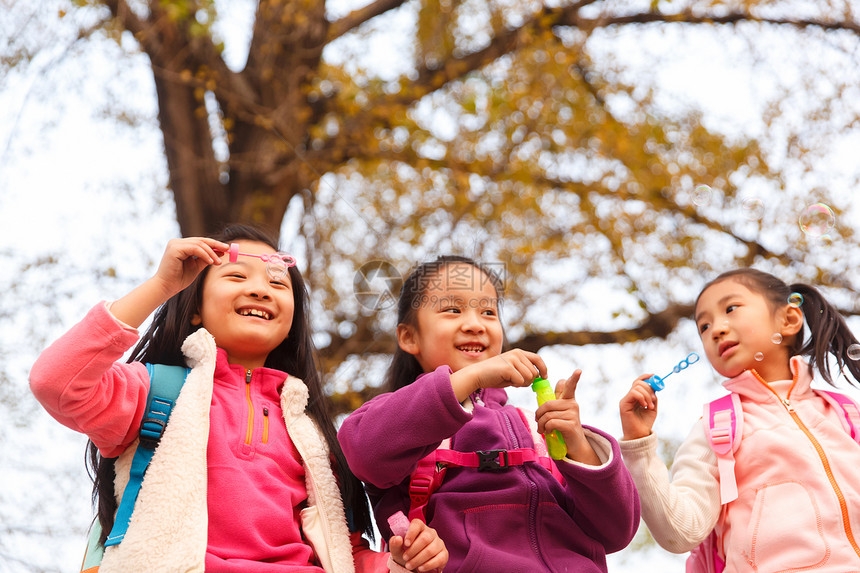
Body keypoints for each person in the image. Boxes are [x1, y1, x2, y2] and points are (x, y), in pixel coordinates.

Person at [29, 225, 448, 573]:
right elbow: (56, 382)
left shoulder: (316, 438)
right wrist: (162, 286)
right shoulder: (154, 394)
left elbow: (345, 553)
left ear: (291, 321)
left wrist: (402, 563)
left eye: (277, 283)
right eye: (236, 276)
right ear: (194, 306)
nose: (261, 290)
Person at [338, 255, 640, 573]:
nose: (475, 324)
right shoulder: (404, 423)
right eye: (452, 309)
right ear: (410, 337)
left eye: (488, 312)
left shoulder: (536, 426)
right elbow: (361, 449)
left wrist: (578, 446)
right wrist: (472, 378)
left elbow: (616, 531)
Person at [619, 268, 860, 571]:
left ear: (788, 320)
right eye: (703, 326)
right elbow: (680, 533)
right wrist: (638, 444)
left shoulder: (845, 413)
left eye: (730, 309)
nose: (715, 330)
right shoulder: (716, 426)